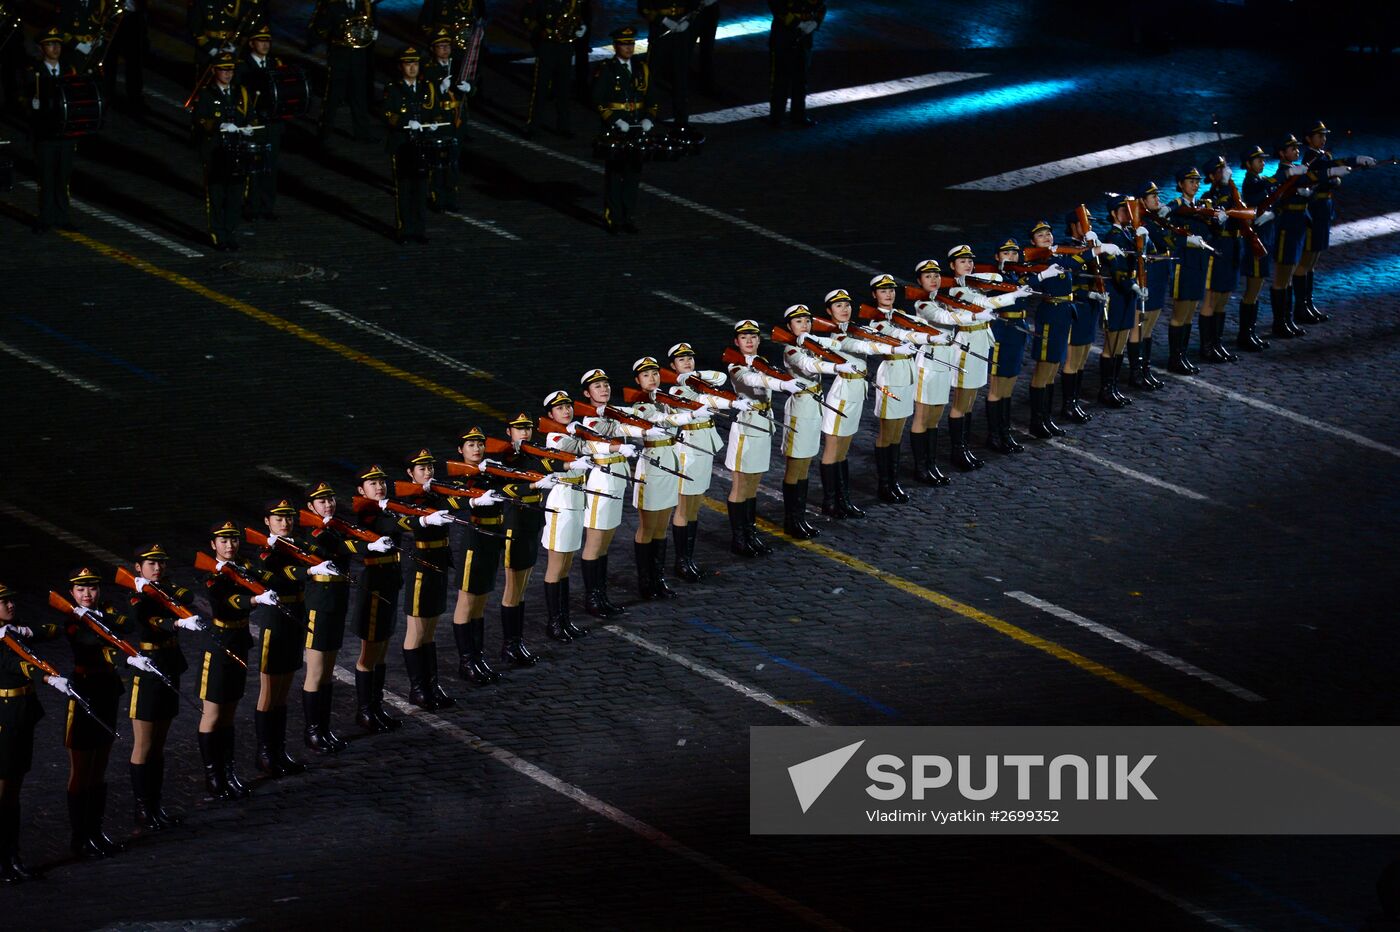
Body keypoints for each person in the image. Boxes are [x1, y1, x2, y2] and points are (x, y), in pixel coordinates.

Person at [124, 543, 201, 829]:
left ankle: (156, 805)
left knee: (159, 743)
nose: (157, 568)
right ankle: (142, 808)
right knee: (144, 743)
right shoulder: (136, 595)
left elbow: (188, 596)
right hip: (150, 667)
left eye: (160, 563)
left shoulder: (163, 588)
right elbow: (148, 620)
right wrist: (177, 624)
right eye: (150, 563)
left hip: (170, 662)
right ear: (138, 567)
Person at [250, 499, 328, 776]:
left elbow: (319, 551)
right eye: (278, 519)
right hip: (275, 619)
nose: (285, 523)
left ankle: (278, 750)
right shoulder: (264, 549)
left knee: (283, 690)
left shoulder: (295, 544)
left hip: (296, 613)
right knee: (269, 691)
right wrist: (308, 569)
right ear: (267, 522)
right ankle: (265, 753)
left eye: (289, 519)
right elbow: (282, 573)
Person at [60, 566, 133, 856]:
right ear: (72, 593)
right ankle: (79, 837)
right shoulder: (72, 620)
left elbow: (127, 625)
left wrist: (103, 615)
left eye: (91, 588)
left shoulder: (105, 612)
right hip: (84, 693)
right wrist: (100, 621)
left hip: (107, 692)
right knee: (81, 768)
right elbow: (92, 641)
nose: (87, 594)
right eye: (80, 589)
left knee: (100, 765)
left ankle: (95, 831)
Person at [815, 289, 908, 515]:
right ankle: (830, 501)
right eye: (838, 306)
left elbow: (870, 339)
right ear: (829, 312)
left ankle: (843, 498)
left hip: (856, 392)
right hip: (843, 394)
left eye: (847, 305)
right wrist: (893, 348)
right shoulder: (835, 335)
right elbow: (861, 347)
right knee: (833, 448)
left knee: (843, 450)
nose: (844, 309)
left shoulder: (853, 328)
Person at [0, 582, 68, 882]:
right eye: (3, 602)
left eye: (11, 600)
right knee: (3, 795)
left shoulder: (13, 632)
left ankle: (11, 855)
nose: (10, 605)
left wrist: (26, 632)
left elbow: (51, 630)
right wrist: (46, 676)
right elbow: (15, 665)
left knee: (13, 794)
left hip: (21, 716)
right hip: (5, 719)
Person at [943, 245, 1033, 468]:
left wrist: (990, 272)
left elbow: (994, 275)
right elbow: (986, 303)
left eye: (970, 261)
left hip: (982, 341)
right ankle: (958, 451)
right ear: (952, 266)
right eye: (962, 261)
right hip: (967, 344)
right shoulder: (957, 290)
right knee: (961, 402)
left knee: (971, 401)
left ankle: (966, 448)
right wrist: (1014, 294)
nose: (968, 264)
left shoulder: (973, 284)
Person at [200, 522, 271, 800]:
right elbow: (224, 603)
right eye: (223, 541)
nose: (229, 545)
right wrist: (254, 600)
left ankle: (228, 771)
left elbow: (264, 578)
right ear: (213, 545)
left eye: (233, 540)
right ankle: (213, 775)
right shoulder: (210, 572)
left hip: (239, 640)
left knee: (230, 711)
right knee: (213, 713)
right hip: (219, 644)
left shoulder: (242, 565)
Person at [667, 342, 748, 576]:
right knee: (684, 508)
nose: (687, 363)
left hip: (703, 448)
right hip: (688, 452)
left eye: (690, 359)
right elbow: (708, 402)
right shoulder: (676, 391)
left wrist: (696, 375)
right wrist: (730, 402)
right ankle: (682, 561)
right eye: (681, 361)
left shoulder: (698, 383)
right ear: (672, 366)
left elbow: (720, 377)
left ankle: (688, 558)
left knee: (694, 508)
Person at [350, 465, 420, 728]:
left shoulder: (384, 508)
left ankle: (376, 706)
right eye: (372, 484)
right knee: (370, 651)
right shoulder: (365, 513)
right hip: (374, 585)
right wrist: (416, 518)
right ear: (361, 490)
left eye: (381, 482)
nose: (379, 487)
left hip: (390, 579)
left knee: (381, 650)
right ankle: (365, 710)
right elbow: (388, 524)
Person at [725, 319, 804, 554]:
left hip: (763, 423)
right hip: (747, 429)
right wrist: (783, 384)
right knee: (741, 485)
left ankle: (750, 532)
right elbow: (754, 380)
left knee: (753, 484)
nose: (749, 341)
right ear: (736, 342)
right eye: (744, 338)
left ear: (759, 340)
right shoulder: (735, 366)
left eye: (753, 337)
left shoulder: (762, 362)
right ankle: (739, 538)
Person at [864, 274, 943, 501]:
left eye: (891, 290)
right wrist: (921, 337)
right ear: (874, 295)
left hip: (906, 375)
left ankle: (894, 480)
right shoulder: (876, 321)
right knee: (887, 433)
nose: (889, 294)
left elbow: (920, 324)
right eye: (883, 291)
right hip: (890, 376)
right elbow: (899, 334)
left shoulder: (899, 315)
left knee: (897, 432)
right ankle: (884, 484)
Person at [300, 481, 366, 753]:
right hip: (319, 604)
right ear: (310, 507)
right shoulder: (311, 532)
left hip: (337, 600)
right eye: (321, 501)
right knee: (316, 671)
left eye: (330, 499)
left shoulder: (336, 525)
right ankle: (313, 731)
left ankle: (324, 728)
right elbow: (337, 546)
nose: (328, 504)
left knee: (327, 669)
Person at [445, 429, 515, 675]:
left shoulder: (490, 470)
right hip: (471, 541)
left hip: (492, 537)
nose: (476, 449)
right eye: (471, 445)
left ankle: (477, 657)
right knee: (466, 602)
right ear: (460, 450)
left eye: (480, 444)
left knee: (481, 601)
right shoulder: (457, 477)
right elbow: (455, 500)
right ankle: (466, 662)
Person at [779, 304, 852, 537]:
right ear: (789, 326)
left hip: (813, 408)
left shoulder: (809, 344)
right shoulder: (791, 350)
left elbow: (832, 346)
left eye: (807, 321)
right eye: (799, 322)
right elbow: (810, 366)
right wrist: (836, 366)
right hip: (800, 410)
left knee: (806, 465)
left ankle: (799, 519)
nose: (805, 325)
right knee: (795, 466)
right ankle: (791, 520)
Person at [627, 356, 698, 594]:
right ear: (637, 380)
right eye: (646, 375)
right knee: (647, 527)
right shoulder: (641, 405)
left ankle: (658, 579)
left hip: (669, 461)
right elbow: (661, 419)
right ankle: (645, 582)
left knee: (662, 527)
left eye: (655, 373)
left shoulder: (665, 399)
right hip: (652, 467)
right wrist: (688, 415)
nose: (652, 378)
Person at [577, 369, 647, 610]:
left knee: (605, 541)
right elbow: (613, 432)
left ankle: (601, 594)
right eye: (597, 387)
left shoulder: (610, 413)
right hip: (602, 481)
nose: (604, 389)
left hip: (617, 478)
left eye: (605, 384)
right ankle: (592, 598)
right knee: (595, 542)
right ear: (587, 393)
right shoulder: (590, 420)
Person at [1295, 121, 1376, 325]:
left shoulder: (1323, 155)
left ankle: (1307, 303)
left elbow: (1332, 166)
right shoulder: (1310, 158)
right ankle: (1300, 307)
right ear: (1308, 138)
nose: (1323, 139)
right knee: (1306, 259)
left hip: (1324, 209)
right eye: (1319, 135)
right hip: (1313, 209)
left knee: (1313, 260)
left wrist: (1353, 163)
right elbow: (1323, 172)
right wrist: (1339, 173)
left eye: (1324, 135)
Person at [399, 449, 457, 709]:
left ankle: (432, 684)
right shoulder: (405, 496)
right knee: (416, 629)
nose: (427, 472)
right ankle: (418, 688)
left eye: (430, 467)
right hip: (421, 563)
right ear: (410, 474)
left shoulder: (435, 491)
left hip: (439, 559)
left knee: (430, 628)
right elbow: (406, 521)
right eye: (421, 469)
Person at [538, 393, 597, 639]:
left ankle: (564, 619)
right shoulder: (556, 437)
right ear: (550, 415)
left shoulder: (570, 433)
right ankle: (554, 622)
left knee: (566, 565)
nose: (566, 411)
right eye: (560, 408)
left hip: (575, 500)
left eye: (568, 407)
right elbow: (582, 448)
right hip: (561, 503)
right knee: (556, 566)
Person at [1025, 220, 1087, 438]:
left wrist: (1094, 247)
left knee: (1052, 370)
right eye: (1040, 235)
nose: (1047, 237)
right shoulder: (1037, 261)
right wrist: (1041, 275)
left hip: (1063, 313)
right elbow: (1026, 285)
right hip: (1050, 315)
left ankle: (1046, 418)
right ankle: (1036, 420)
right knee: (1043, 370)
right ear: (1033, 242)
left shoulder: (1057, 257)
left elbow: (1079, 262)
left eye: (1048, 234)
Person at [591, 26, 656, 234]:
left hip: (636, 126)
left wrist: (649, 118)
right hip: (617, 129)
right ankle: (614, 218)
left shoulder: (641, 68)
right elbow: (597, 99)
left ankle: (628, 217)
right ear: (615, 46)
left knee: (633, 174)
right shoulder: (607, 69)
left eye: (631, 43)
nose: (629, 48)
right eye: (624, 44)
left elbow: (652, 98)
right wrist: (615, 120)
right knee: (615, 173)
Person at [1057, 213, 1121, 423]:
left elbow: (1114, 264)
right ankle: (1068, 404)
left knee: (1082, 357)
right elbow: (1069, 273)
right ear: (1073, 226)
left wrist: (1099, 246)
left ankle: (1074, 401)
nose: (1089, 226)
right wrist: (1092, 250)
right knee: (1073, 359)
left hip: (1092, 307)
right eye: (1084, 223)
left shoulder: (1092, 243)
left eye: (1091, 223)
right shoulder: (1065, 247)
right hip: (1078, 307)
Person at [382, 47, 446, 244]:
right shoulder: (393, 88)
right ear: (401, 67)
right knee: (404, 189)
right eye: (409, 64)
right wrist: (404, 122)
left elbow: (435, 110)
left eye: (416, 64)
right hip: (402, 145)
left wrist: (435, 122)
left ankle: (419, 230)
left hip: (422, 144)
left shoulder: (427, 87)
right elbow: (386, 113)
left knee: (420, 189)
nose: (413, 68)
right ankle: (404, 230)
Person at [1163, 166, 1221, 374]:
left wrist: (1216, 220)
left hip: (1199, 263)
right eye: (1190, 181)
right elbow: (1168, 237)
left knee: (1189, 314)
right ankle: (1175, 358)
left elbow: (1211, 233)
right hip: (1184, 263)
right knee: (1180, 313)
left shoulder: (1203, 206)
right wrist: (1188, 241)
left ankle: (1182, 356)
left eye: (1197, 181)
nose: (1195, 185)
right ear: (1180, 184)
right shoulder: (1175, 208)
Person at [192, 51, 252, 251]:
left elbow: (249, 116)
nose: (228, 74)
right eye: (224, 70)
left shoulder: (239, 92)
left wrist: (249, 126)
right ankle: (218, 234)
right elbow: (199, 120)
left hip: (237, 151)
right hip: (216, 152)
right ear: (215, 71)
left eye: (231, 70)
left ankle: (230, 232)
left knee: (236, 195)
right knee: (217, 195)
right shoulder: (206, 94)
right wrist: (219, 125)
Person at [982, 241, 1035, 451]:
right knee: (997, 386)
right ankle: (994, 435)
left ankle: (1005, 431)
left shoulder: (1018, 276)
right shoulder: (994, 277)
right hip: (1001, 331)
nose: (1011, 256)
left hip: (1018, 329)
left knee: (1010, 384)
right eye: (1006, 253)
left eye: (1014, 253)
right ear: (997, 257)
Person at [29, 29, 80, 235]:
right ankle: (46, 217)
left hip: (65, 133)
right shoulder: (34, 71)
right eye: (50, 45)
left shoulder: (69, 69)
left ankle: (63, 216)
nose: (55, 48)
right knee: (46, 176)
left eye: (58, 44)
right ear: (42, 49)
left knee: (63, 176)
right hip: (45, 134)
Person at [1101, 197, 1151, 406]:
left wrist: (1145, 239)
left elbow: (1144, 255)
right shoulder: (1112, 236)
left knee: (1121, 342)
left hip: (1128, 292)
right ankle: (1106, 389)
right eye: (1124, 211)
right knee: (1112, 343)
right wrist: (1133, 285)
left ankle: (1112, 387)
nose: (1128, 215)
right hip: (1118, 291)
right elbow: (1117, 269)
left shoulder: (1128, 233)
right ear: (1114, 213)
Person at [235, 25, 287, 222]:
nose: (265, 45)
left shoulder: (276, 63)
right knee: (253, 167)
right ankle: (251, 207)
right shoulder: (242, 67)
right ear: (251, 44)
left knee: (270, 167)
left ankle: (267, 206)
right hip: (254, 123)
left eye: (268, 42)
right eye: (261, 41)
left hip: (272, 124)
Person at [1127, 182, 1173, 389]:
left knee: (1150, 325)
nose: (1157, 199)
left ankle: (1145, 368)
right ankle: (1136, 372)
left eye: (1157, 195)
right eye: (1151, 196)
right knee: (1140, 324)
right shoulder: (1143, 223)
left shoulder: (1156, 220)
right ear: (1141, 202)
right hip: (1148, 272)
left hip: (1161, 271)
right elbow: (1164, 240)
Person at [313, 0, 378, 140]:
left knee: (359, 95)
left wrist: (371, 33)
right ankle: (324, 133)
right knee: (333, 96)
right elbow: (320, 28)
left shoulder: (363, 4)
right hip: (339, 56)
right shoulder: (332, 4)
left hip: (358, 57)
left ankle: (363, 133)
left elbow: (370, 23)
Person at [1199, 155, 1242, 363]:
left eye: (1224, 169)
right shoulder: (1210, 195)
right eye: (1219, 170)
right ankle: (1207, 347)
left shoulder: (1230, 191)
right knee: (1211, 298)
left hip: (1232, 246)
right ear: (1211, 175)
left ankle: (1217, 343)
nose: (1223, 173)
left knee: (1223, 298)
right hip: (1218, 248)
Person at [523, 0, 586, 138]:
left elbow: (577, 17)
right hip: (547, 47)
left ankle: (564, 127)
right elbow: (527, 18)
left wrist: (581, 27)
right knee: (540, 88)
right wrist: (540, 31)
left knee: (564, 88)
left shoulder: (573, 2)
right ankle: (533, 127)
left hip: (565, 47)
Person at [422, 30, 469, 212]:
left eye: (447, 46)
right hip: (439, 118)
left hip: (456, 119)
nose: (445, 50)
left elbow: (472, 80)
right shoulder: (427, 68)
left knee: (453, 162)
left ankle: (451, 198)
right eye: (441, 47)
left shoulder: (457, 65)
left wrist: (470, 87)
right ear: (433, 49)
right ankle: (438, 198)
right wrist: (440, 89)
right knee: (438, 162)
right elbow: (425, 94)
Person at [1237, 145, 1277, 352]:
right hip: (1256, 241)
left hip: (1264, 238)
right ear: (1248, 164)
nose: (1262, 163)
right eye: (1258, 160)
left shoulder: (1257, 181)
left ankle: (1250, 332)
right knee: (1252, 290)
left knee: (1257, 288)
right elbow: (1254, 202)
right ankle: (1245, 334)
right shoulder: (1251, 183)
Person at [638, 0, 701, 127]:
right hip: (660, 33)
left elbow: (695, 6)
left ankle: (681, 120)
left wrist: (688, 21)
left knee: (681, 78)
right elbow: (644, 8)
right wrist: (664, 20)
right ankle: (646, 116)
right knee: (651, 77)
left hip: (681, 36)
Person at [767, 0, 824, 126]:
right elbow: (776, 6)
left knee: (801, 78)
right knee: (780, 78)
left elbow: (821, 6)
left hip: (804, 37)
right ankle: (776, 117)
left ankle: (798, 116)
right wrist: (798, 23)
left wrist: (815, 22)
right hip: (784, 35)